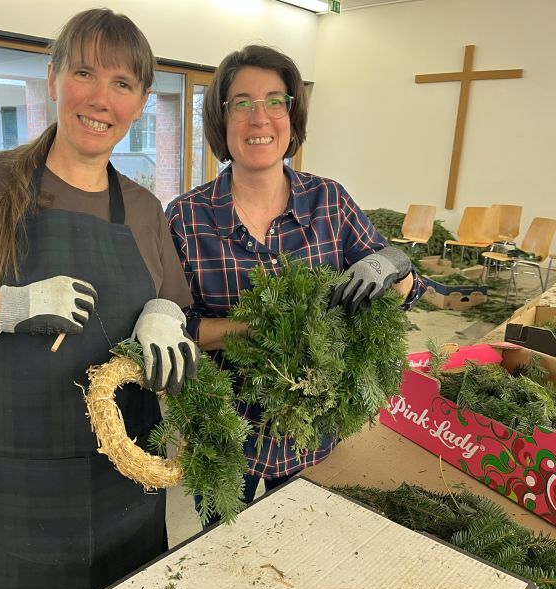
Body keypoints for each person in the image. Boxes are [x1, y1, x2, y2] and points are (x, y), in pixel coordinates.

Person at [0, 9, 198, 589]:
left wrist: (163, 316)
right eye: (84, 73)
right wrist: (10, 306)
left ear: (140, 102)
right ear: (53, 77)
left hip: (123, 480)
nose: (101, 99)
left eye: (122, 83)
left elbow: (172, 302)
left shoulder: (143, 209)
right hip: (6, 484)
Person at [165, 45, 424, 524]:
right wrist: (263, 329)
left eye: (275, 101)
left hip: (314, 431)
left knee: (308, 546)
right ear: (221, 118)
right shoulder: (186, 216)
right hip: (224, 436)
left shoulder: (330, 201)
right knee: (225, 550)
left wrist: (395, 264)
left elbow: (403, 292)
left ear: (292, 114)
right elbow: (178, 327)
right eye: (241, 103)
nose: (259, 117)